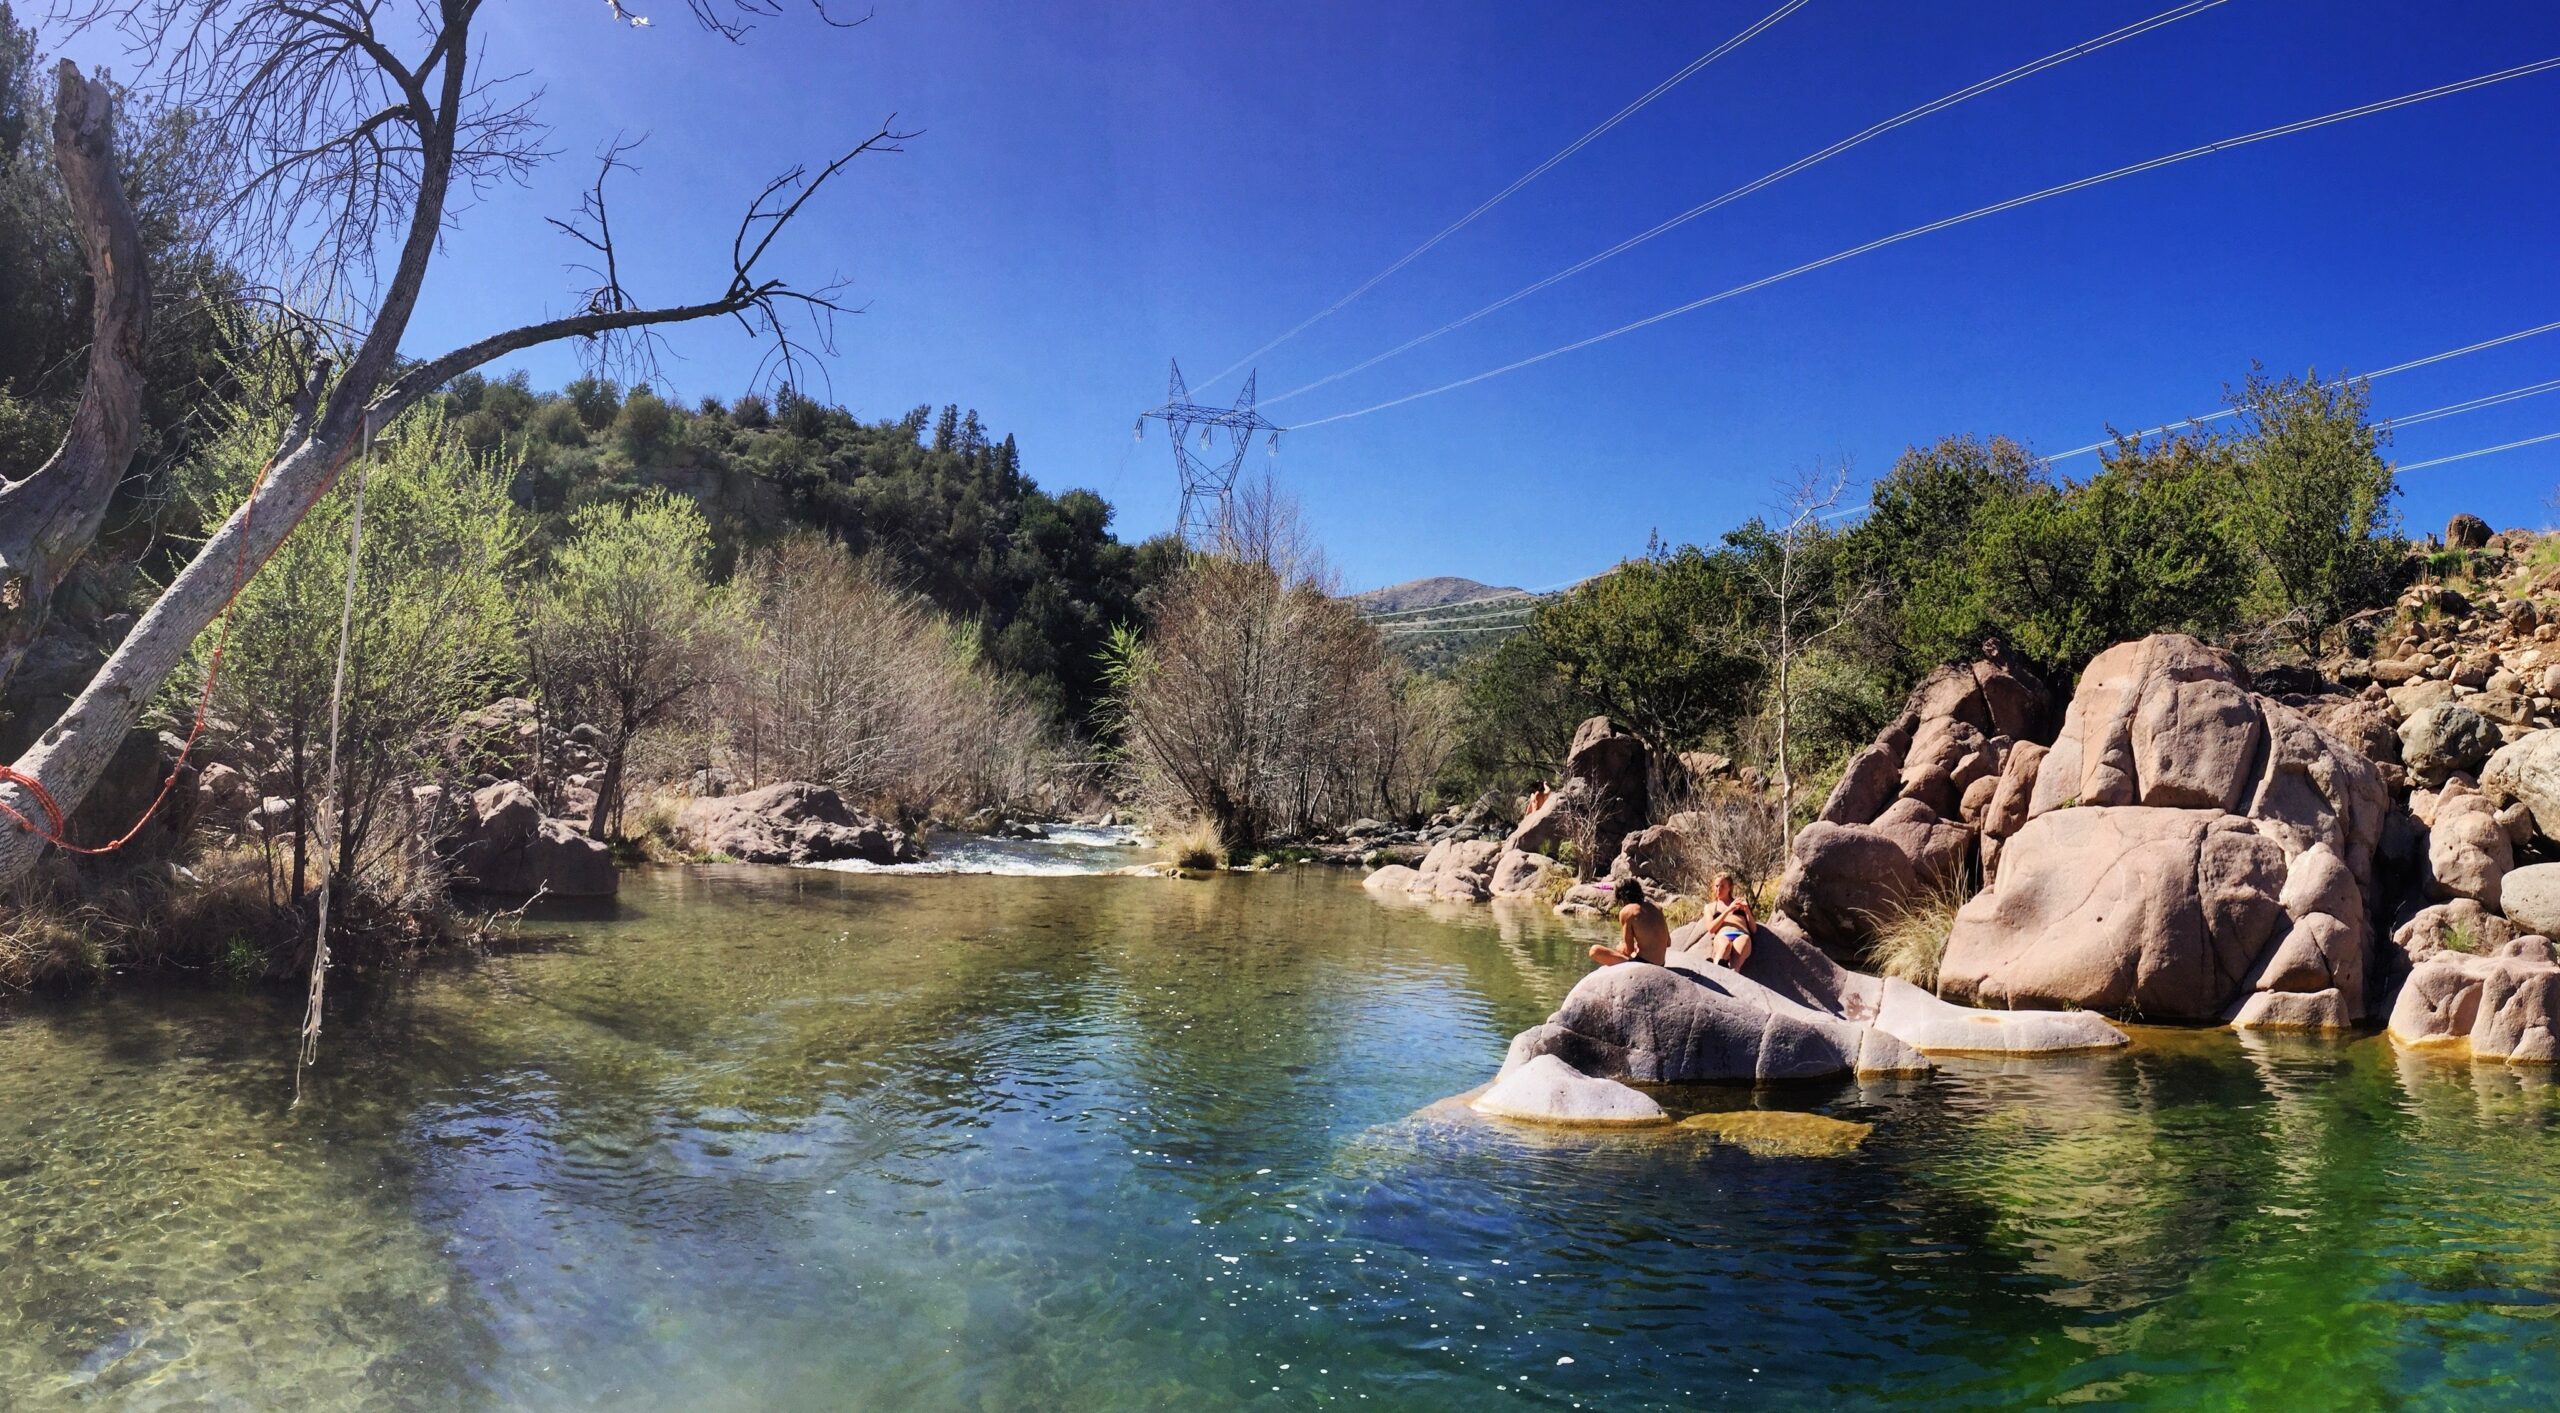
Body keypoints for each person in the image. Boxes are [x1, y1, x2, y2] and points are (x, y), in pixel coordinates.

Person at [1589, 876, 1671, 968]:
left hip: (1643, 964)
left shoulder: (1627, 911)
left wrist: (1620, 947)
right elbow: (1668, 943)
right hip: (1661, 964)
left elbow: (1629, 951)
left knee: (1594, 951)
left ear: (1621, 897)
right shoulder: (1657, 908)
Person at [1698, 872, 1754, 970]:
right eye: (1716, 886)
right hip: (1722, 935)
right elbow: (1711, 929)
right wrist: (1728, 910)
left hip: (1741, 934)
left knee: (1740, 950)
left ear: (1730, 888)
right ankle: (1716, 970)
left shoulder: (1740, 903)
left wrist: (1747, 910)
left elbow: (1754, 929)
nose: (1718, 889)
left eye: (1722, 886)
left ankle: (1733, 974)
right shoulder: (1710, 907)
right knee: (1725, 946)